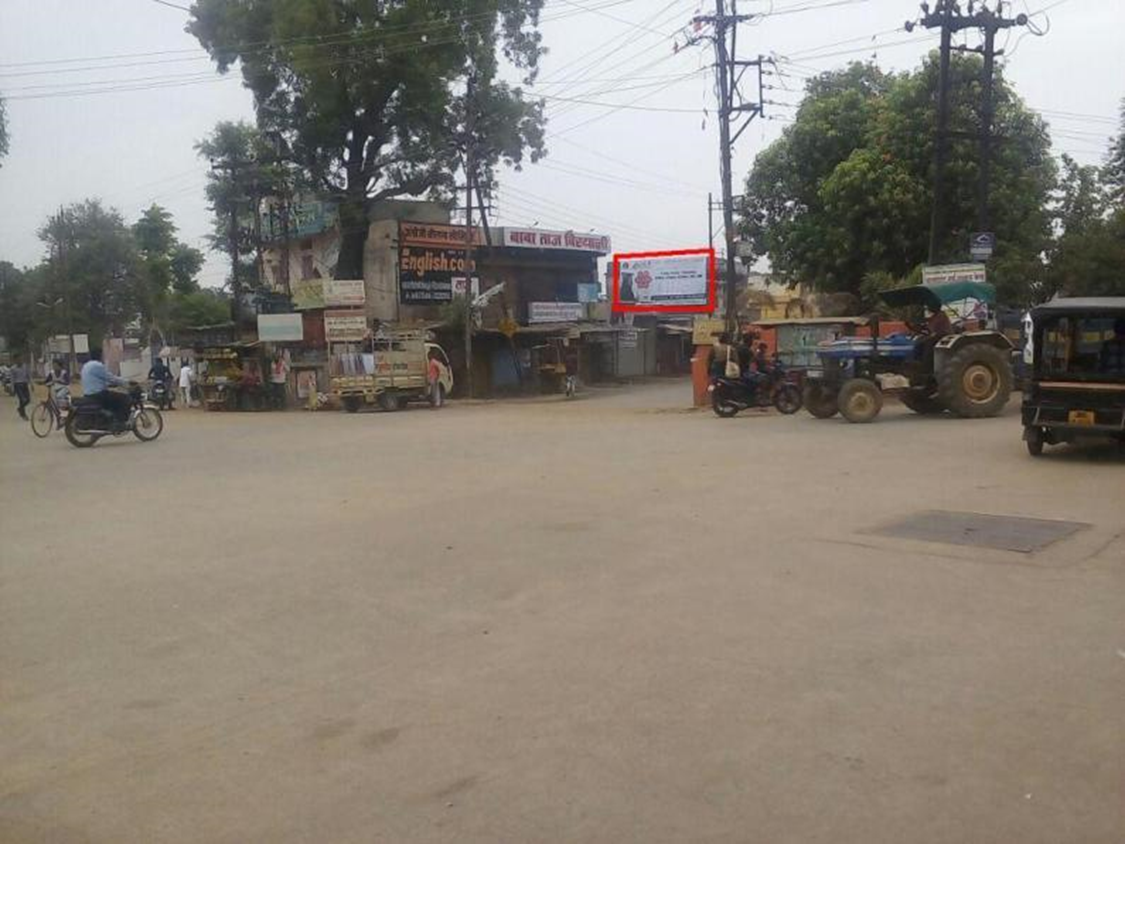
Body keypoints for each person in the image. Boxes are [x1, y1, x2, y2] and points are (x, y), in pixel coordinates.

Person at [80, 346, 132, 424]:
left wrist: (110, 384)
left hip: (88, 394)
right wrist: (127, 382)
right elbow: (111, 378)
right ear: (100, 355)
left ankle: (111, 419)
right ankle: (120, 422)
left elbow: (98, 379)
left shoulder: (86, 365)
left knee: (113, 397)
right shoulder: (97, 365)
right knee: (125, 398)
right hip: (98, 394)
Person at [45, 359, 71, 427]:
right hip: (55, 389)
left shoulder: (64, 373)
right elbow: (47, 381)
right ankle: (58, 418)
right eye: (53, 365)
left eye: (56, 365)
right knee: (54, 403)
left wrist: (59, 381)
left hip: (64, 389)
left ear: (60, 366)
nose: (54, 367)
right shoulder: (52, 373)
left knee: (59, 397)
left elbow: (67, 382)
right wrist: (48, 383)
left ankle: (63, 416)